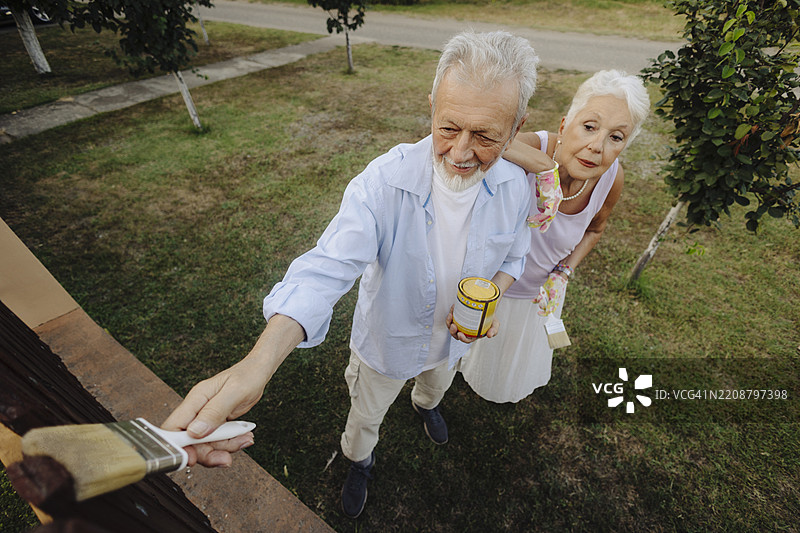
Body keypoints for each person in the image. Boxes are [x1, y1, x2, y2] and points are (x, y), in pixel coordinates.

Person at [162, 30, 540, 518]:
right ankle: (358, 459)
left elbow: (514, 258)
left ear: (516, 127)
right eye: (448, 127)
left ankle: (426, 404)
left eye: (486, 136)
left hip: (453, 345)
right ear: (431, 106)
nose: (461, 152)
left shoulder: (516, 187)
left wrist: (492, 296)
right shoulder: (381, 182)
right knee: (365, 419)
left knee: (435, 387)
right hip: (386, 347)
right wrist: (258, 364)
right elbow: (325, 269)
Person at [458, 70, 651, 403]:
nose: (596, 146)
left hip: (538, 295)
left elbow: (595, 229)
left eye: (616, 137)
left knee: (505, 363)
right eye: (589, 127)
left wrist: (564, 271)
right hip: (487, 285)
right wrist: (546, 170)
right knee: (459, 346)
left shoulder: (611, 180)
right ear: (564, 125)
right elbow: (484, 140)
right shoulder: (536, 145)